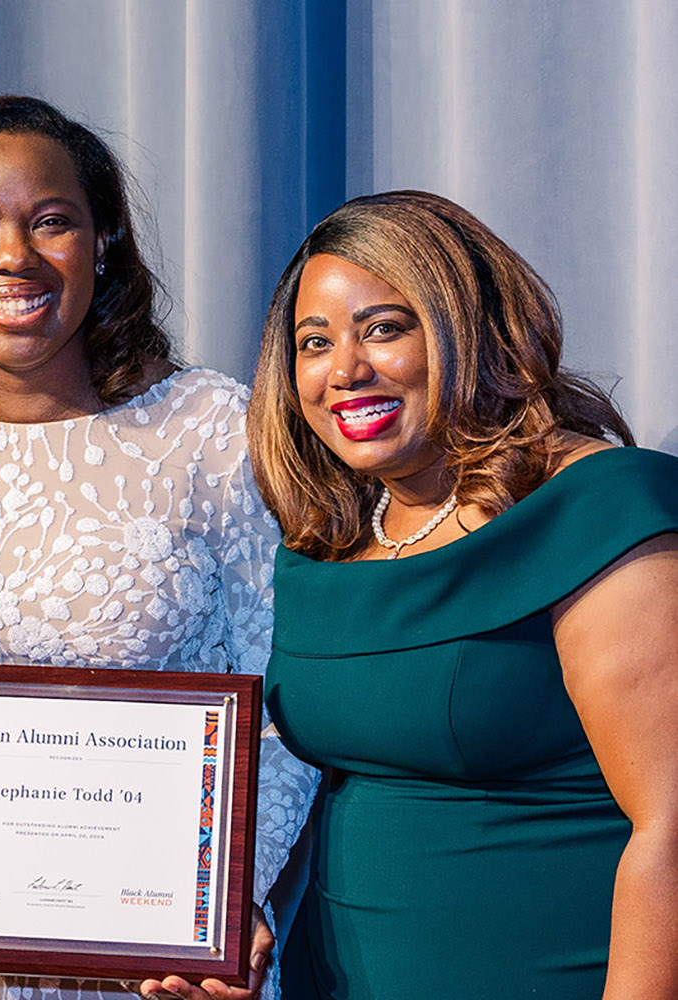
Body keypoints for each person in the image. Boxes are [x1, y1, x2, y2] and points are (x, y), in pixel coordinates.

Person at [0, 95, 318, 1000]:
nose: (13, 255)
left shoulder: (214, 431)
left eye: (51, 222)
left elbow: (281, 702)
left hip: (162, 968)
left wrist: (229, 896)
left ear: (104, 245)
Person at [248, 190, 678, 999]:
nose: (344, 370)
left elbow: (671, 826)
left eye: (383, 328)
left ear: (467, 327)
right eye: (314, 342)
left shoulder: (598, 508)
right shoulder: (325, 541)